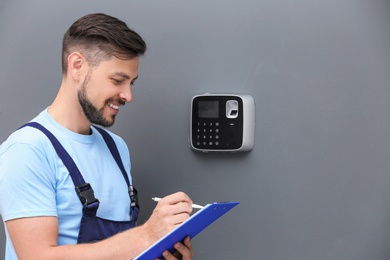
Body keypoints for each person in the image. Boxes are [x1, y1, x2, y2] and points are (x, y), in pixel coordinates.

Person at [0, 13, 194, 259]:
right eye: (117, 80)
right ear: (77, 65)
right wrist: (146, 235)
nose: (128, 95)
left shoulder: (116, 148)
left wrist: (159, 252)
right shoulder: (27, 150)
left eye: (131, 83)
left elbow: (118, 251)